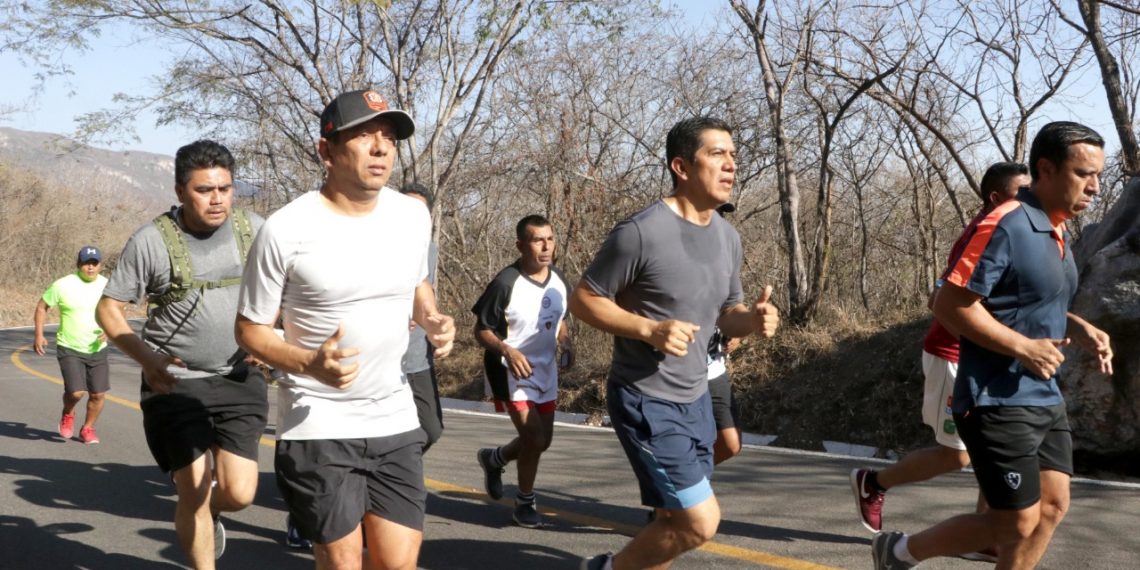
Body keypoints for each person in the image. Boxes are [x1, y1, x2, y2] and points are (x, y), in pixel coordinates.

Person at [871, 122, 1114, 569]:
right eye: (1085, 173)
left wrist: (1080, 328)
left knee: (1053, 508)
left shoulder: (1056, 230)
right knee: (1014, 523)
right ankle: (900, 551)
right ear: (1046, 168)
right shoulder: (1004, 223)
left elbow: (1027, 302)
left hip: (1043, 394)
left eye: (1099, 174)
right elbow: (949, 303)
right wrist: (1023, 347)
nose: (1096, 187)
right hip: (996, 396)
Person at [234, 88, 455, 570]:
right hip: (319, 424)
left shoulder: (412, 215)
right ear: (326, 150)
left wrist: (431, 318)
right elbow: (250, 330)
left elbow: (416, 281)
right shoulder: (286, 229)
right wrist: (309, 363)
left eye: (389, 138)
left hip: (394, 417)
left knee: (397, 564)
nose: (380, 148)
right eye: (363, 136)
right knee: (343, 563)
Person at [570, 116, 779, 570]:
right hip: (647, 399)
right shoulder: (640, 232)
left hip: (696, 397)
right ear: (681, 167)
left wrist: (754, 320)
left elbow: (727, 314)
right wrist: (648, 329)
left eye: (734, 156)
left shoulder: (727, 237)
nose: (731, 166)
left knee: (671, 520)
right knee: (699, 522)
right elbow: (584, 299)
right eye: (717, 154)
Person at [96, 140, 268, 569]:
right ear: (179, 191)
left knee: (240, 494)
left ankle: (212, 515)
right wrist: (147, 359)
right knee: (192, 487)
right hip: (175, 383)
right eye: (204, 190)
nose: (217, 200)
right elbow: (108, 309)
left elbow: (288, 291)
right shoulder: (152, 241)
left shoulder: (256, 231)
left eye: (225, 189)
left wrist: (275, 338)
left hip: (239, 378)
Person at [850, 162, 1029, 562]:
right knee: (958, 454)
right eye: (1023, 191)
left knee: (997, 446)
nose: (1030, 199)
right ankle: (874, 481)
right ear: (996, 199)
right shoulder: (983, 233)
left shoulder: (1019, 231)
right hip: (955, 355)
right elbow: (940, 298)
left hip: (991, 359)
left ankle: (986, 535)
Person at [473, 214, 573, 528]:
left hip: (545, 370)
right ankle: (525, 502)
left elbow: (561, 318)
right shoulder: (506, 283)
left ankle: (496, 458)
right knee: (533, 436)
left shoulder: (558, 280)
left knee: (543, 441)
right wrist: (507, 349)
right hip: (510, 371)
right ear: (520, 245)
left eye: (550, 239)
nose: (545, 247)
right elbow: (481, 330)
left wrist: (566, 343)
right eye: (537, 240)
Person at [34, 246, 110, 445]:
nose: (91, 267)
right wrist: (39, 335)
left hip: (97, 348)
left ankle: (87, 429)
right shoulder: (63, 285)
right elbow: (42, 307)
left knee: (98, 394)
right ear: (79, 264)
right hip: (69, 347)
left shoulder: (108, 285)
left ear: (100, 265)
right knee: (76, 392)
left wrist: (110, 330)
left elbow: (118, 310)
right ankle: (68, 413)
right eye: (86, 263)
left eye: (94, 263)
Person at [399, 181, 445, 450]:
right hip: (379, 359)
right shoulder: (371, 243)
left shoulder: (429, 249)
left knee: (431, 429)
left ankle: (393, 472)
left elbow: (428, 296)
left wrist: (437, 330)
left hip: (417, 356)